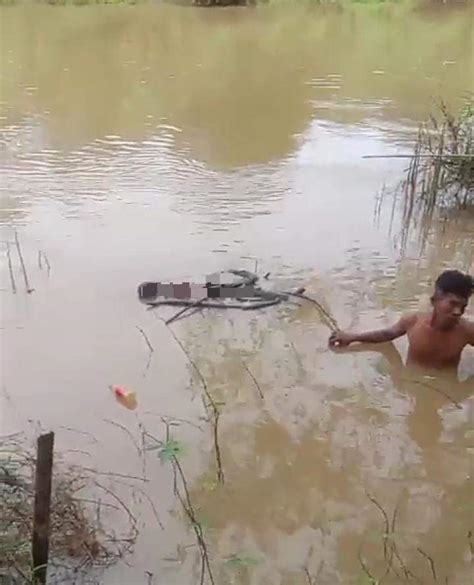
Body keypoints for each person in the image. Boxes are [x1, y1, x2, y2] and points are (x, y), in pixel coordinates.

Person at [329, 270, 474, 370]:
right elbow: (387, 335)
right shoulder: (413, 321)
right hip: (412, 383)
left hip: (446, 391)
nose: (458, 312)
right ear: (434, 300)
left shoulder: (467, 331)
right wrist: (351, 337)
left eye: (463, 306)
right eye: (453, 304)